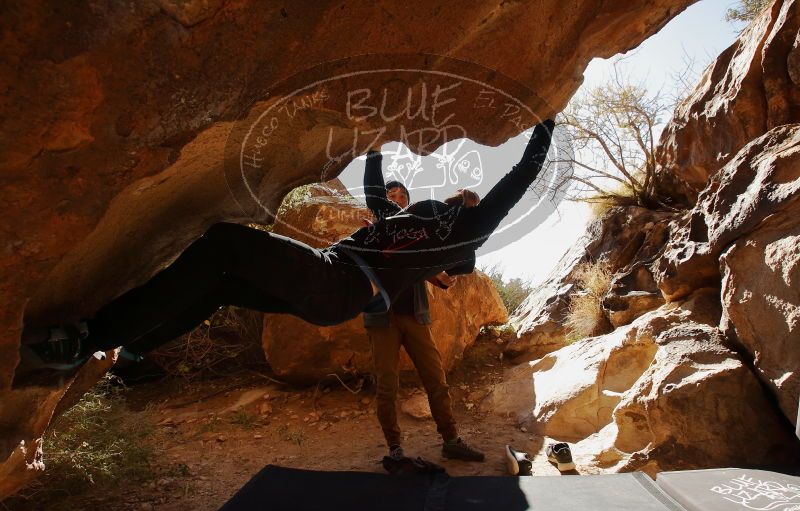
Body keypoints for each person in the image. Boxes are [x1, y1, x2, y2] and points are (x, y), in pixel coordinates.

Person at [18, 119, 555, 384]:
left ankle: (85, 339)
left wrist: (545, 120)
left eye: (468, 199)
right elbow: (375, 193)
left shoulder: (468, 232)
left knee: (225, 241)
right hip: (331, 283)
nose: (463, 196)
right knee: (223, 284)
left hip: (343, 283)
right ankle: (134, 351)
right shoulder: (407, 218)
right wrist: (374, 145)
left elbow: (522, 174)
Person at [361, 156, 483, 462]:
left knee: (436, 381)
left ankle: (451, 440)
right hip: (382, 318)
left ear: (408, 202)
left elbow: (424, 267)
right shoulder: (373, 231)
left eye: (401, 196)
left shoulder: (419, 234)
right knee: (387, 387)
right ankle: (395, 448)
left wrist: (442, 278)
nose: (396, 199)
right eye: (391, 196)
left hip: (415, 315)